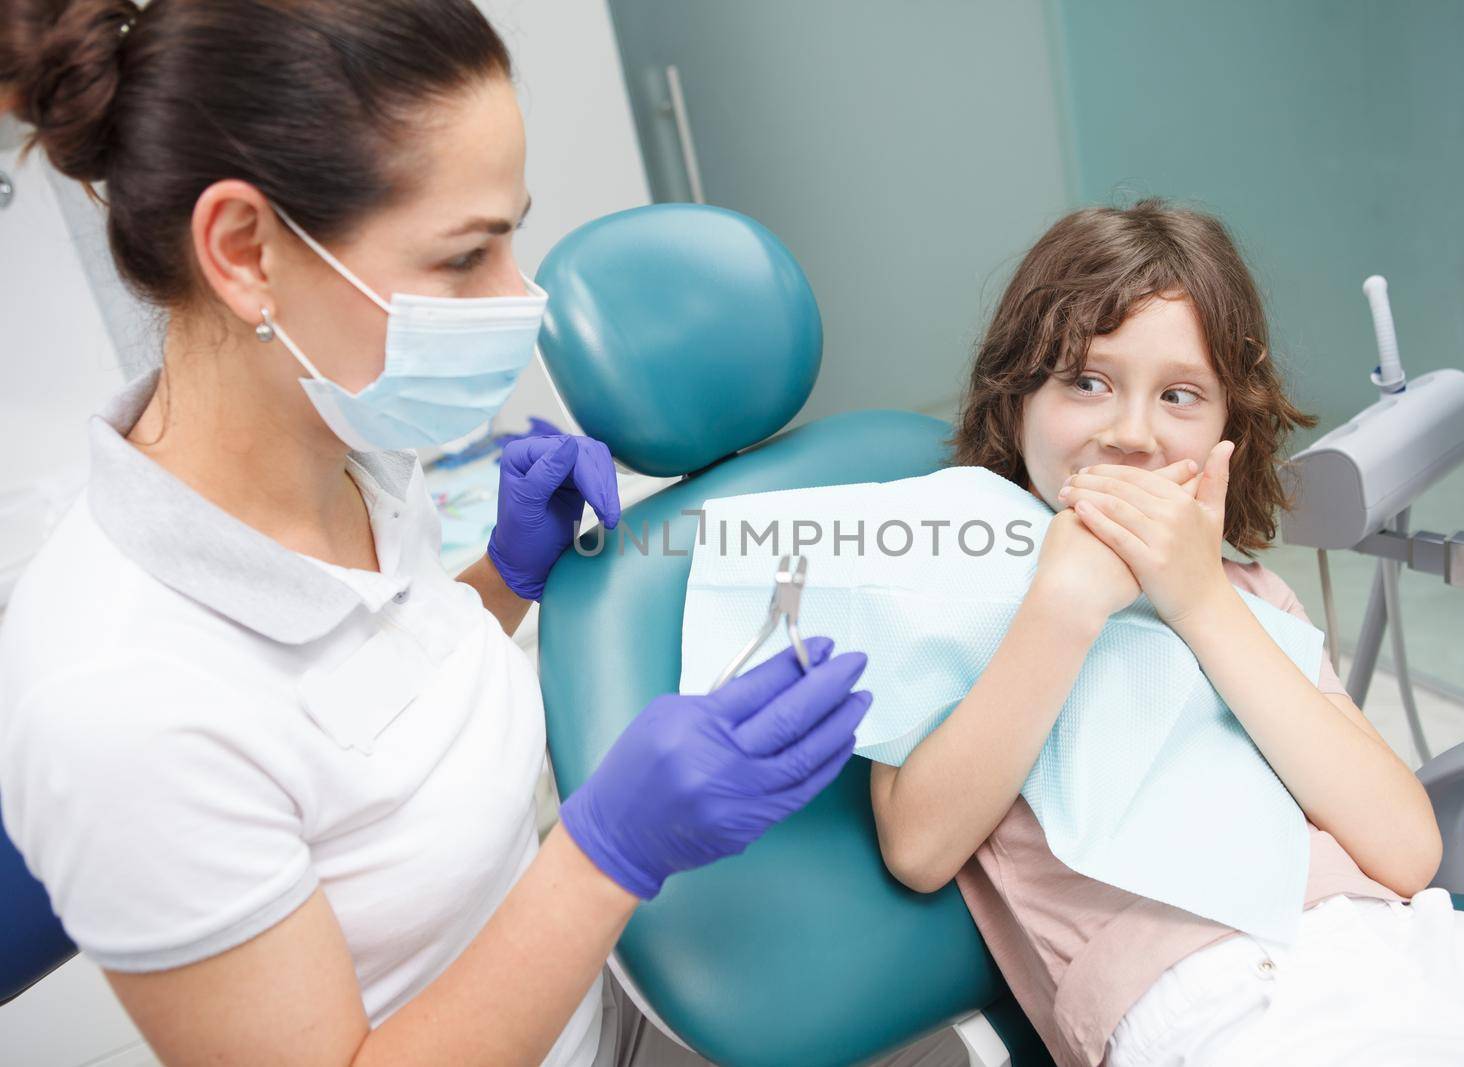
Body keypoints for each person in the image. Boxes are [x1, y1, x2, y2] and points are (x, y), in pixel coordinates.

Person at [0, 1, 968, 1063]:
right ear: (245, 251)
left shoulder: (341, 445)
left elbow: (361, 708)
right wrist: (608, 849)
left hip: (598, 1003)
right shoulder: (117, 702)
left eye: (510, 237)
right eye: (466, 258)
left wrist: (501, 579)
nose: (522, 300)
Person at [867, 200, 1464, 1066]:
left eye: (1179, 394)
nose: (1131, 434)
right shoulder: (957, 577)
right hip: (1207, 991)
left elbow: (1405, 850)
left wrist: (1202, 601)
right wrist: (1063, 606)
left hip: (1393, 939)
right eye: (1087, 381)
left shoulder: (1245, 594)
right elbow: (917, 846)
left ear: (1226, 430)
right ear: (1017, 394)